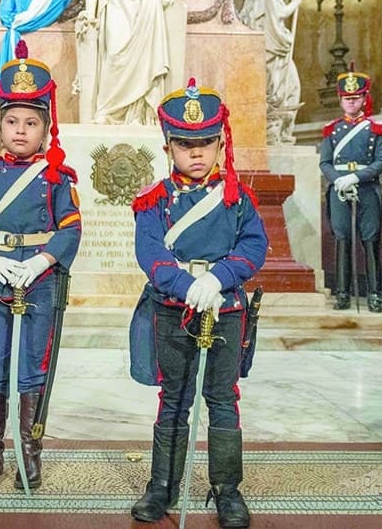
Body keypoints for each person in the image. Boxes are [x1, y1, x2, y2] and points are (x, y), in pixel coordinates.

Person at [130, 79, 267, 528]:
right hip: (174, 309)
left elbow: (253, 246)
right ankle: (161, 487)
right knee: (174, 400)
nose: (197, 153)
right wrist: (186, 285)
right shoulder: (154, 201)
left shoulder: (238, 198)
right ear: (169, 146)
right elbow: (150, 252)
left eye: (206, 143)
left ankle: (228, 490)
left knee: (223, 399)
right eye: (186, 144)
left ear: (220, 142)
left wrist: (219, 277)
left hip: (225, 311)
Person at [0, 40, 82, 491]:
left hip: (40, 281)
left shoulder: (57, 178)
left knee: (32, 366)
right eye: (12, 121)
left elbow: (70, 227)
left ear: (46, 129)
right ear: (1, 125)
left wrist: (45, 259)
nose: (21, 130)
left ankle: (30, 452)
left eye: (31, 122)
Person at [319, 70, 382, 312]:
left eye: (356, 97)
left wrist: (356, 177)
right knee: (342, 240)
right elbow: (325, 162)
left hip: (367, 191)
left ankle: (374, 294)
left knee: (370, 241)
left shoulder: (376, 129)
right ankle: (342, 294)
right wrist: (338, 180)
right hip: (339, 191)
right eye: (347, 98)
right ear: (340, 100)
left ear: (364, 98)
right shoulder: (332, 130)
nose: (351, 101)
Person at [239, 0, 304, 145]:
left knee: (268, 90)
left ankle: (270, 132)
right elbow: (281, 12)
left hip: (259, 53)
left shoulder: (249, 3)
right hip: (275, 51)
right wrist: (296, 1)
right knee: (291, 87)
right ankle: (281, 133)